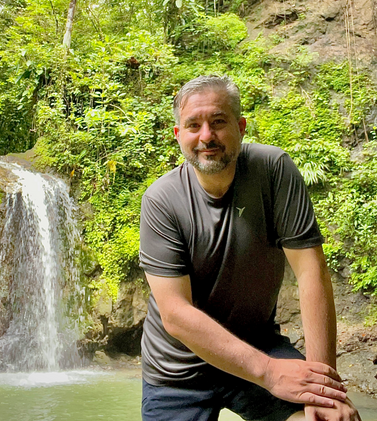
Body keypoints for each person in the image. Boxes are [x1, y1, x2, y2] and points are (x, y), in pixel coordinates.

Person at [139, 75, 361, 421]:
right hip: (177, 372)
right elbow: (175, 314)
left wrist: (323, 389)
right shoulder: (161, 200)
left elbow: (311, 273)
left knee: (332, 418)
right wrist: (270, 373)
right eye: (193, 125)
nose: (207, 136)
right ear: (178, 135)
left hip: (260, 346)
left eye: (218, 122)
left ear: (241, 127)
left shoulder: (273, 170)